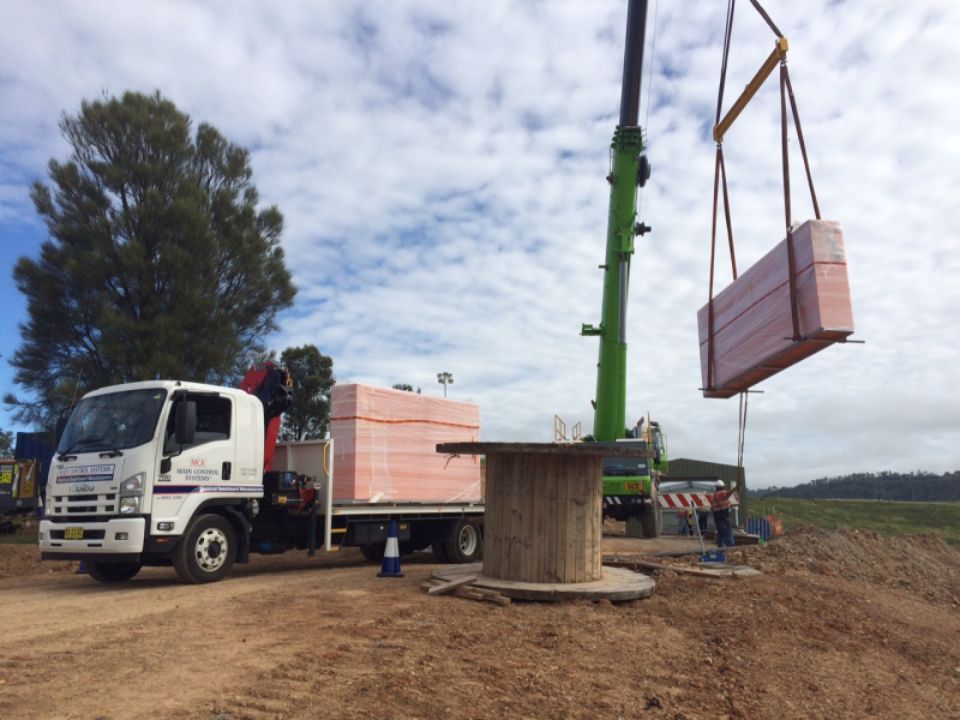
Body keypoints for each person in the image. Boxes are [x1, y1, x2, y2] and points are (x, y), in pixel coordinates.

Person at [708, 479, 737, 548]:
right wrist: (735, 488)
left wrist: (728, 505)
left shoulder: (712, 497)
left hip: (717, 517)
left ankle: (720, 548)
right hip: (724, 516)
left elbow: (713, 508)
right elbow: (729, 493)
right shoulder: (722, 493)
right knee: (727, 532)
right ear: (722, 487)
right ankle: (730, 547)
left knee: (720, 532)